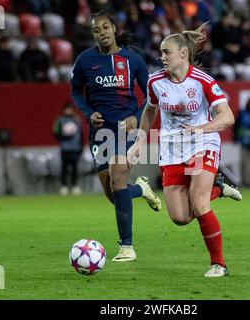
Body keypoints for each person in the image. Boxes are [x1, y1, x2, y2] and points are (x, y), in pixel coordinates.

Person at [128, 22, 241, 277]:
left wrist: (203, 128)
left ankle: (218, 264)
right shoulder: (155, 81)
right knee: (179, 218)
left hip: (202, 143)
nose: (162, 57)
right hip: (171, 149)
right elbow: (150, 109)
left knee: (199, 205)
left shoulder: (203, 81)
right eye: (161, 52)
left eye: (167, 52)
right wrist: (139, 142)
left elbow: (228, 117)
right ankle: (218, 189)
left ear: (183, 54)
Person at [70, 11, 163, 262]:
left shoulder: (133, 60)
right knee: (114, 194)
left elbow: (149, 94)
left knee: (118, 178)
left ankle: (127, 247)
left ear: (113, 28)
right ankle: (141, 189)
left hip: (127, 130)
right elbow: (76, 92)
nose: (102, 32)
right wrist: (89, 113)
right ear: (93, 34)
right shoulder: (85, 60)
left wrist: (135, 115)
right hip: (100, 133)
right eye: (96, 29)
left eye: (105, 27)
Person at [53, 102, 86, 195]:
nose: (68, 111)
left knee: (75, 168)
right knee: (64, 168)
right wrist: (64, 137)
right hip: (65, 148)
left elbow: (81, 134)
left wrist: (82, 146)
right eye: (67, 109)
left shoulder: (77, 120)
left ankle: (75, 186)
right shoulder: (60, 120)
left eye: (70, 109)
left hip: (76, 148)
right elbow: (56, 132)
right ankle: (64, 186)